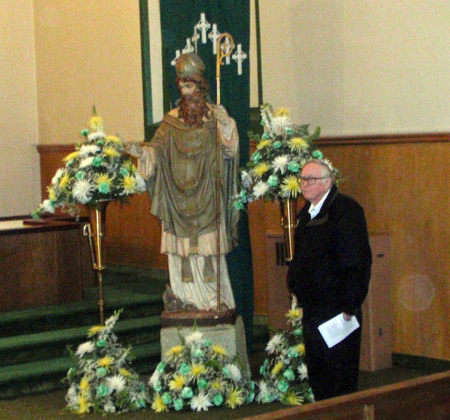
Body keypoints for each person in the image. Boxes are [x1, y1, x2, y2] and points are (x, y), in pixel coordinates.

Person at [126, 53, 240, 312]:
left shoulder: (215, 117)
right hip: (177, 199)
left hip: (208, 197)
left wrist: (226, 123)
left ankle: (215, 301)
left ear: (200, 86)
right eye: (181, 87)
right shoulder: (171, 120)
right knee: (181, 256)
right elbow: (155, 149)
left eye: (189, 87)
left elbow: (230, 151)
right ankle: (184, 299)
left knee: (209, 254)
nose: (185, 93)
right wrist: (142, 153)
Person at [287, 159, 372, 400]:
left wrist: (351, 304)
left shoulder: (345, 210)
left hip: (338, 309)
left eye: (311, 179)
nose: (305, 184)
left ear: (328, 181)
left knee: (339, 376)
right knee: (319, 374)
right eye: (302, 179)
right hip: (314, 308)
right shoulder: (308, 213)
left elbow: (357, 261)